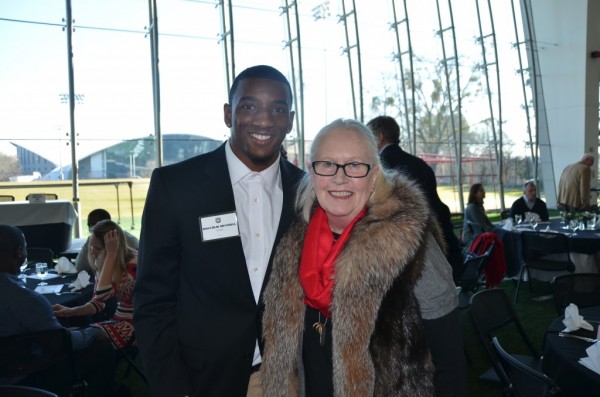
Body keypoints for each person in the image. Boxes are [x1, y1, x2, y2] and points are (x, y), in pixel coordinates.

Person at [133, 65, 305, 397]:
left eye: (278, 109)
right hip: (202, 381)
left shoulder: (305, 193)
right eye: (250, 106)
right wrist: (172, 387)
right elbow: (153, 301)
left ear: (291, 120)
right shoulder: (176, 186)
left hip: (287, 379)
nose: (265, 120)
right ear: (228, 114)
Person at [262, 118, 464, 396]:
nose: (339, 177)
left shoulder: (410, 244)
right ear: (312, 171)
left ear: (374, 176)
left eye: (355, 165)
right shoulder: (293, 242)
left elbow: (450, 364)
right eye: (327, 165)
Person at [0, 224, 114, 397]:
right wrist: (92, 331)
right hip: (23, 374)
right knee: (104, 348)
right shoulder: (27, 301)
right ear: (19, 253)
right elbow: (60, 344)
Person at [366, 115, 464, 281]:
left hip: (400, 248)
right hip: (434, 243)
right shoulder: (420, 164)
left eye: (369, 136)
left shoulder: (379, 168)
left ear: (379, 136)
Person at [53, 219, 137, 351]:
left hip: (139, 324)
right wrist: (70, 312)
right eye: (91, 246)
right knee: (86, 332)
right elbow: (98, 303)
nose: (92, 252)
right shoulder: (103, 263)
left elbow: (101, 294)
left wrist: (111, 254)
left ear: (113, 247)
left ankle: (58, 343)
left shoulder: (133, 265)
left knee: (89, 334)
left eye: (97, 248)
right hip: (118, 321)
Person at [76, 208, 139, 273]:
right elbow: (79, 267)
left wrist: (110, 255)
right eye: (91, 248)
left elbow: (80, 266)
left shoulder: (131, 264)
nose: (93, 253)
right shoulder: (94, 242)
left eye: (98, 249)